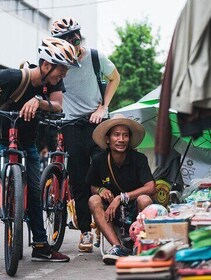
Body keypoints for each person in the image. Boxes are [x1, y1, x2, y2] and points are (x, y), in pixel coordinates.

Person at [0, 37, 80, 272]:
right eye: (62, 70)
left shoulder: (52, 85)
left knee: (36, 191)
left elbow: (58, 105)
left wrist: (39, 101)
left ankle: (40, 245)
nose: (63, 75)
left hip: (27, 142)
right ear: (46, 65)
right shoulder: (17, 76)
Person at [51, 16, 121, 252]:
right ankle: (86, 231)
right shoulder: (57, 63)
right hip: (71, 125)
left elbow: (115, 78)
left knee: (106, 173)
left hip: (97, 121)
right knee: (79, 179)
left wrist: (103, 107)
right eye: (68, 38)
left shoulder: (94, 56)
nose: (74, 40)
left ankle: (109, 224)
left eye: (76, 35)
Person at [86, 114, 155, 265]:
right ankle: (118, 247)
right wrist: (99, 191)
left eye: (125, 135)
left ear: (129, 139)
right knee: (93, 200)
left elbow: (150, 187)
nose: (121, 139)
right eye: (116, 135)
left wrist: (121, 197)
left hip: (134, 210)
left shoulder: (139, 159)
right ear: (107, 139)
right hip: (111, 213)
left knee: (145, 199)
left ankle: (142, 243)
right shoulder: (99, 160)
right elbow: (93, 186)